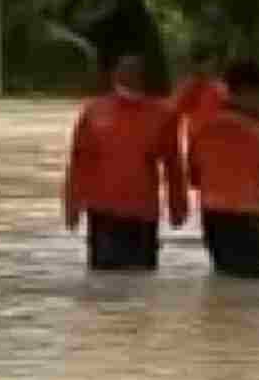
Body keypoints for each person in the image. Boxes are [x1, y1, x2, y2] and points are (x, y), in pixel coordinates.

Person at [63, 52, 187, 271]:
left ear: (143, 77)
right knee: (104, 285)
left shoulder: (163, 114)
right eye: (124, 70)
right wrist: (72, 206)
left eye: (135, 71)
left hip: (142, 214)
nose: (129, 75)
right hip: (103, 213)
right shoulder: (93, 111)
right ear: (114, 75)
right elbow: (79, 162)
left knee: (141, 284)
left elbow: (173, 165)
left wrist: (178, 207)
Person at [188, 60, 259, 279]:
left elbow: (194, 176)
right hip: (246, 218)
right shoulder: (258, 125)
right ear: (248, 90)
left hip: (212, 217)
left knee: (223, 280)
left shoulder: (205, 123)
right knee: (251, 290)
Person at [173, 41, 228, 150]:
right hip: (198, 143)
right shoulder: (188, 88)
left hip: (219, 141)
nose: (206, 67)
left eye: (208, 62)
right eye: (200, 62)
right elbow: (173, 113)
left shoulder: (221, 89)